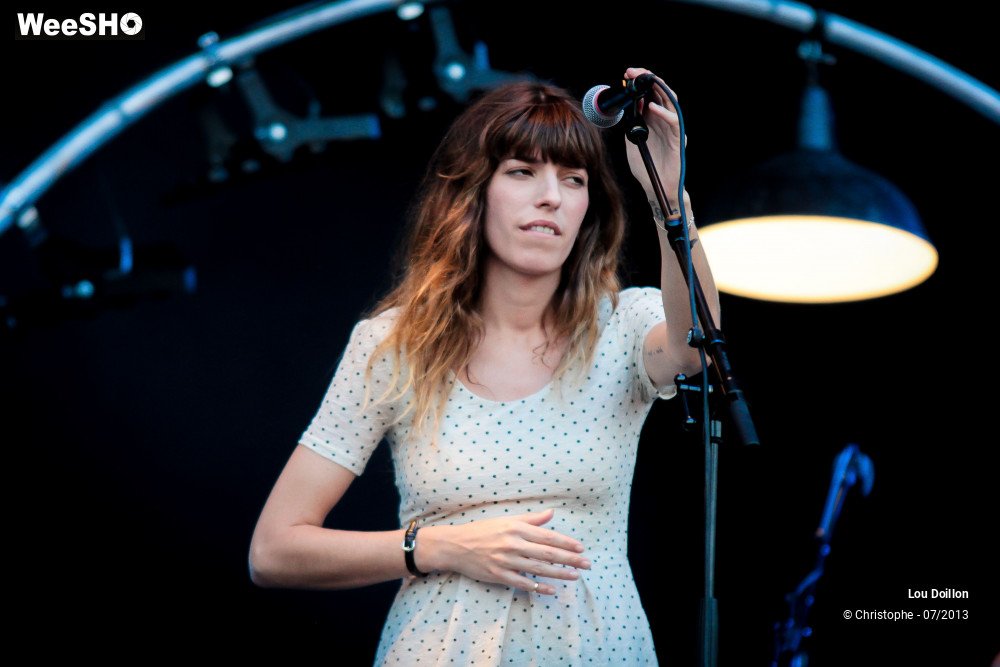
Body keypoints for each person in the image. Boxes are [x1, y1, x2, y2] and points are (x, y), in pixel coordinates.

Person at [249, 66, 720, 664]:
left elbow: (696, 346)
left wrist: (668, 196)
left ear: (586, 210)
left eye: (573, 179)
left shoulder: (624, 325)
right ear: (473, 192)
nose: (550, 195)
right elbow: (274, 551)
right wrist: (439, 548)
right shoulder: (393, 344)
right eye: (522, 172)